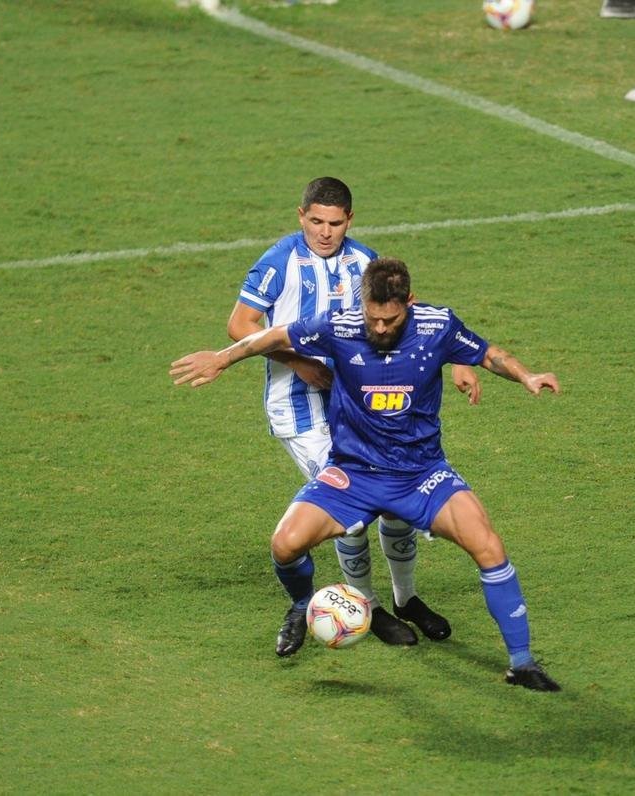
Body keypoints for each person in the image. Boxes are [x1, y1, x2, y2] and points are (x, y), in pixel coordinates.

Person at [172, 258, 561, 691]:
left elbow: (488, 354)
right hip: (353, 474)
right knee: (285, 544)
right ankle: (303, 604)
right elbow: (275, 335)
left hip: (421, 474)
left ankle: (522, 663)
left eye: (389, 320)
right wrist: (222, 359)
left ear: (409, 303)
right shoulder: (339, 325)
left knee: (488, 545)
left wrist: (527, 376)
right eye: (372, 318)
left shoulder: (438, 325)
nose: (377, 328)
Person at [227, 177, 479, 656]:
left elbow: (409, 311)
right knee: (352, 515)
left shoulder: (363, 260)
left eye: (335, 223)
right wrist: (299, 363)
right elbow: (240, 325)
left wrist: (461, 359)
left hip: (357, 404)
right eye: (316, 222)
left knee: (398, 500)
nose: (325, 232)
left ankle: (406, 599)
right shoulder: (280, 262)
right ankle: (366, 604)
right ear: (300, 216)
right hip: (299, 409)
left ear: (350, 221)